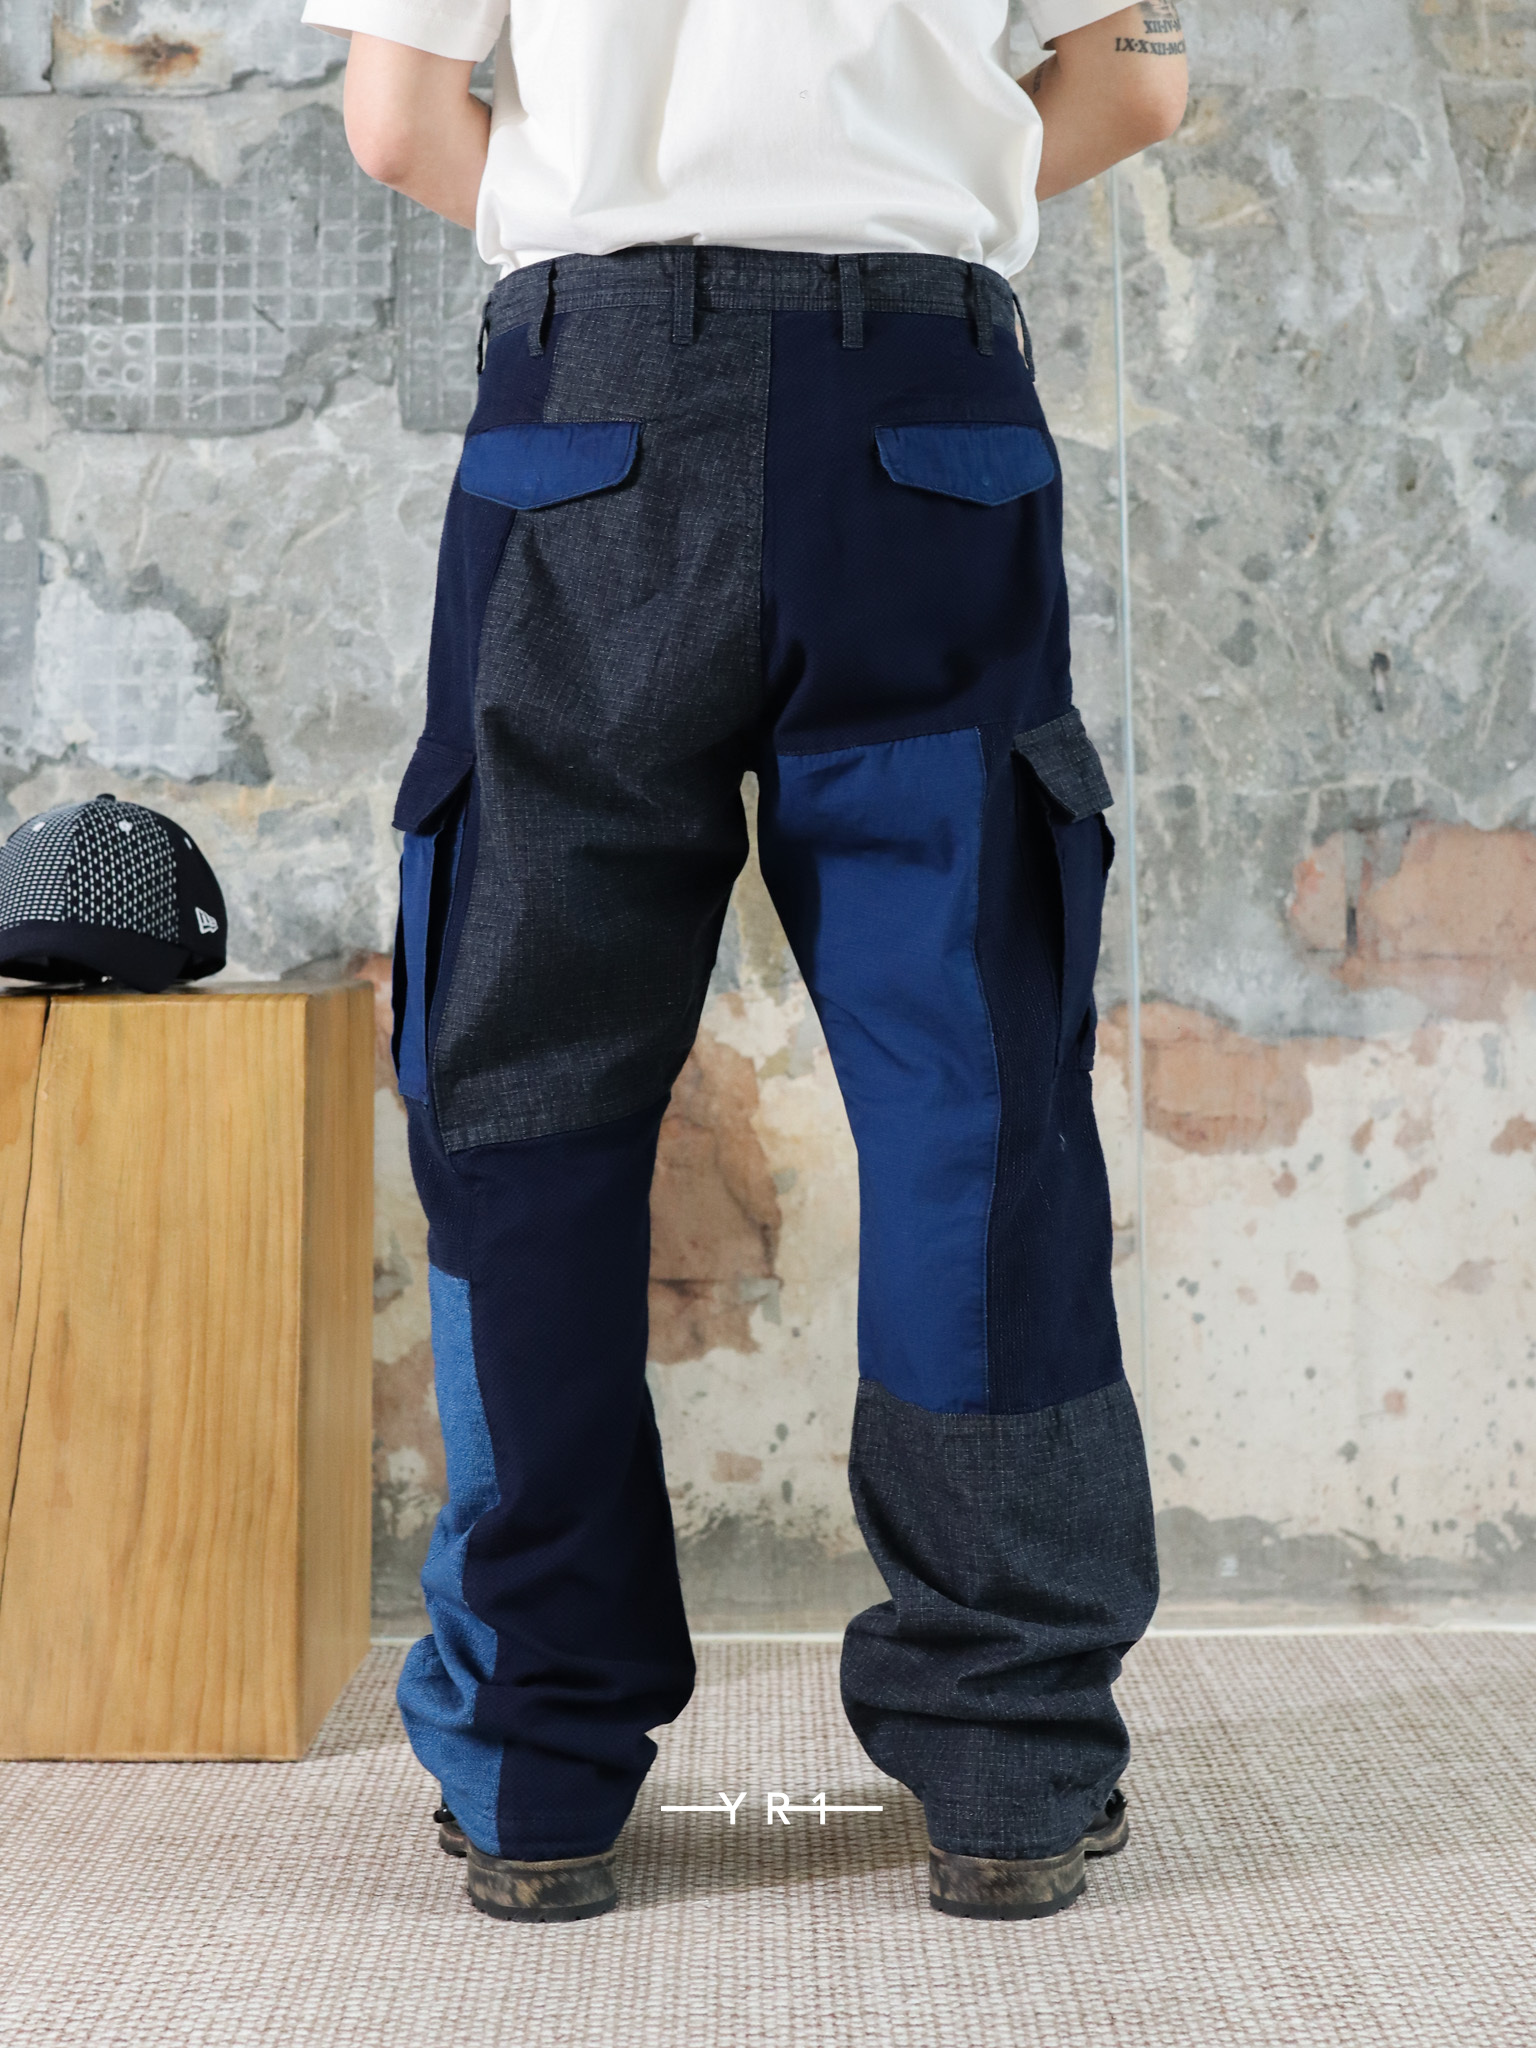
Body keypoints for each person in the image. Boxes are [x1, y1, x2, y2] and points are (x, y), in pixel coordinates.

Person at [303, 0, 1187, 1924]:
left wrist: (624, 239)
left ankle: (538, 1770)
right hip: (926, 442)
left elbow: (396, 122)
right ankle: (1009, 1768)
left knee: (527, 1100)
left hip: (590, 432)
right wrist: (911, 173)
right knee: (970, 1099)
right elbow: (1136, 81)